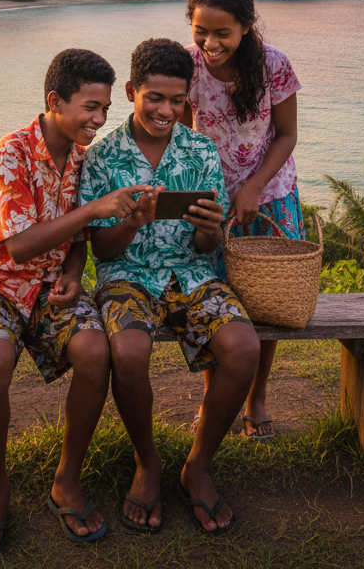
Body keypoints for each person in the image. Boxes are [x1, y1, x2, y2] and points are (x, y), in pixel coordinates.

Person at [0, 48, 151, 559]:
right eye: (90, 107)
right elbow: (19, 247)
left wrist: (73, 274)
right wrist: (94, 209)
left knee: (95, 352)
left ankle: (66, 479)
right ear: (54, 101)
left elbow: (79, 240)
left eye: (105, 108)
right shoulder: (11, 154)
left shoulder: (82, 160)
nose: (99, 120)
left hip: (49, 284)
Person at [80, 38, 260, 536]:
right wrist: (134, 221)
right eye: (154, 98)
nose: (166, 110)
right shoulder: (102, 156)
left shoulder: (201, 150)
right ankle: (148, 462)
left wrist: (209, 229)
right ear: (132, 91)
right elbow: (102, 252)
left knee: (244, 348)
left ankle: (197, 466)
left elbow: (209, 246)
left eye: (177, 100)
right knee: (129, 352)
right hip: (128, 276)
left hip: (193, 273)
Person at [182, 0, 302, 440]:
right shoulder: (189, 66)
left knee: (265, 305)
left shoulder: (274, 64)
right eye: (201, 31)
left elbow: (286, 135)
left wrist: (253, 187)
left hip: (269, 197)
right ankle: (213, 398)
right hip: (212, 203)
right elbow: (184, 137)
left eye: (222, 33)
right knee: (213, 303)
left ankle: (257, 398)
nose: (210, 43)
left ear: (247, 26)